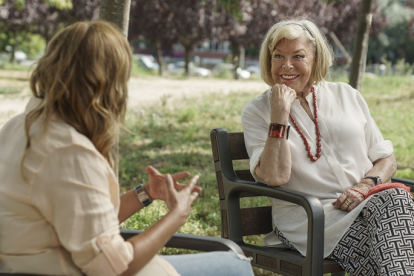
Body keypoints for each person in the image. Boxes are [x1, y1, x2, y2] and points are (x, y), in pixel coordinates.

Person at [0, 21, 254, 276]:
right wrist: (175, 217)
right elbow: (114, 269)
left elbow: (84, 224)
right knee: (234, 265)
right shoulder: (69, 152)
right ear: (108, 85)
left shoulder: (17, 127)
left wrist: (144, 194)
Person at [241, 18, 414, 276]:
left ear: (316, 58)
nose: (286, 65)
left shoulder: (347, 95)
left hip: (371, 206)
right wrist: (279, 115)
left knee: (393, 203)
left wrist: (364, 186)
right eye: (278, 56)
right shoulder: (257, 111)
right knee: (393, 235)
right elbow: (275, 177)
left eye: (298, 56)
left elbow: (386, 158)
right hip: (313, 221)